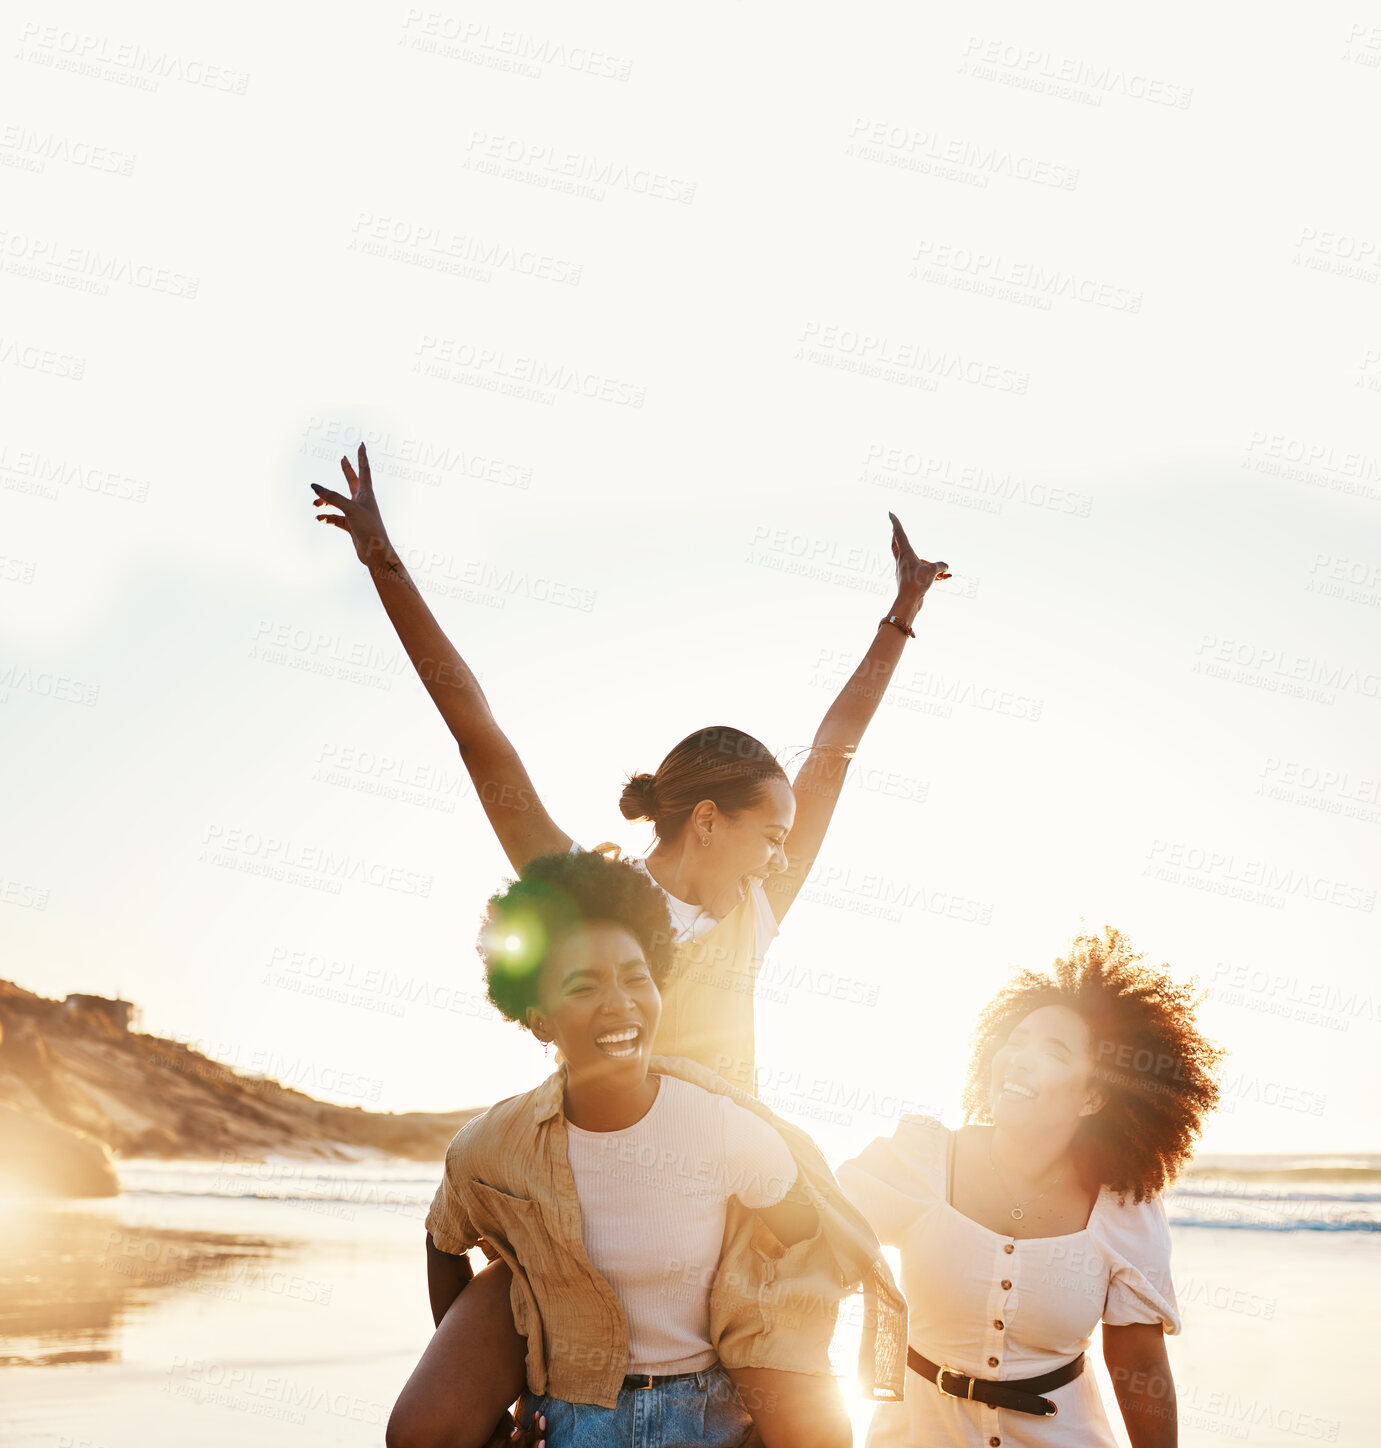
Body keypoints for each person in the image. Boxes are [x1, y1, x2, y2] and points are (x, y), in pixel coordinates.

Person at [310, 441, 950, 1094]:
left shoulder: (754, 910)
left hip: (730, 1186)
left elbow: (834, 750)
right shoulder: (594, 894)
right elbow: (479, 738)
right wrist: (381, 561)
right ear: (707, 821)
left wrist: (905, 608)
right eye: (771, 838)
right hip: (604, 1178)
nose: (783, 860)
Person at [387, 849, 907, 1448]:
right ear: (539, 1020)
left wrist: (777, 1389)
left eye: (637, 978)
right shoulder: (493, 1145)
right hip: (570, 1417)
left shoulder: (720, 1126)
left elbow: (798, 1232)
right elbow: (444, 1236)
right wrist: (492, 1417)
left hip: (707, 1414)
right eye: (585, 986)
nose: (620, 1002)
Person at [836, 928, 1224, 1448]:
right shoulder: (919, 1159)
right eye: (1015, 1040)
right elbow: (812, 1245)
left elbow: (1137, 1364)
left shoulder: (1123, 1207)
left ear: (1091, 1097)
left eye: (1054, 1051)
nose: (1017, 1057)